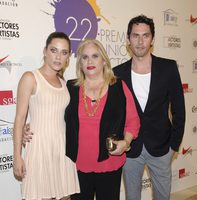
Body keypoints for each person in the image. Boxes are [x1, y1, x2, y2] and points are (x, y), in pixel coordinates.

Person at [113, 15, 186, 200]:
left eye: (145, 36)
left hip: (162, 148)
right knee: (132, 197)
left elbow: (179, 110)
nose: (140, 41)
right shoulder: (117, 73)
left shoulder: (168, 68)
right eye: (135, 36)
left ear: (152, 39)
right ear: (128, 39)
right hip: (130, 149)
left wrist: (174, 146)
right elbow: (114, 114)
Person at [64, 38, 140, 200]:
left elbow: (133, 121)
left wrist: (126, 143)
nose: (89, 61)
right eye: (84, 57)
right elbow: (54, 115)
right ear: (80, 63)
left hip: (109, 163)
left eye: (95, 56)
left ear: (104, 60)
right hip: (77, 164)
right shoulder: (70, 88)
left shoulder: (118, 86)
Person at [13, 32, 80, 200]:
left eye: (64, 52)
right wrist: (16, 156)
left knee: (65, 196)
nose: (58, 57)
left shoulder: (65, 83)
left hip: (62, 150)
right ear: (44, 51)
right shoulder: (31, 78)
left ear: (68, 57)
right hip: (39, 149)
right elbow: (20, 119)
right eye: (54, 50)